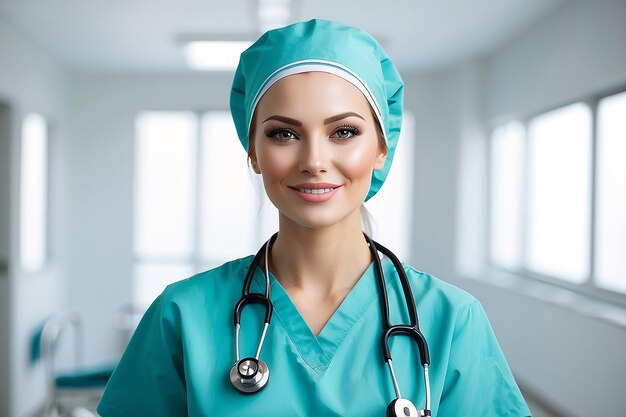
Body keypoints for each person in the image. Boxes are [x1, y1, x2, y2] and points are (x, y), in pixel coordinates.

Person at [97, 19, 532, 417]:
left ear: (382, 148)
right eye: (283, 134)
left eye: (344, 132)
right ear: (252, 151)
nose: (314, 161)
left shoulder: (451, 321)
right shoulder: (182, 316)